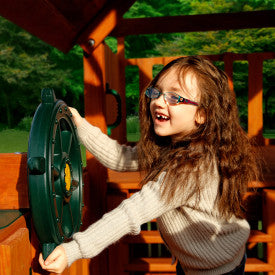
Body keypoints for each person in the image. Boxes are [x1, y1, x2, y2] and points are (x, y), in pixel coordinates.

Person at [39, 56, 259, 274]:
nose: (159, 101)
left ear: (202, 114)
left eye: (174, 97)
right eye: (157, 92)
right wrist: (79, 125)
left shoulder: (192, 168)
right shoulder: (172, 146)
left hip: (217, 267)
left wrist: (73, 250)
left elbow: (131, 213)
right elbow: (119, 158)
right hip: (198, 259)